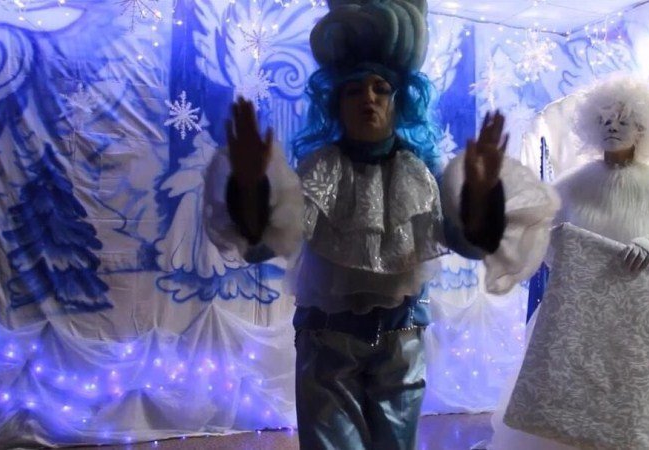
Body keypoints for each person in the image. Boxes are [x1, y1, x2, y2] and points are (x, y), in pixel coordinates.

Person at [204, 1, 560, 449]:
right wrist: (250, 188)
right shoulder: (319, 170)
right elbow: (264, 245)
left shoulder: (417, 173)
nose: (368, 99)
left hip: (401, 339)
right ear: (336, 102)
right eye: (353, 90)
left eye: (381, 88)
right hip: (327, 341)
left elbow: (465, 243)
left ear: (400, 100)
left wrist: (480, 196)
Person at [488, 75, 649, 449]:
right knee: (565, 412)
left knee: (640, 412)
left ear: (642, 129)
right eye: (604, 121)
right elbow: (550, 256)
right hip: (580, 325)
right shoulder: (570, 187)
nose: (612, 129)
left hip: (641, 326)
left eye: (622, 121)